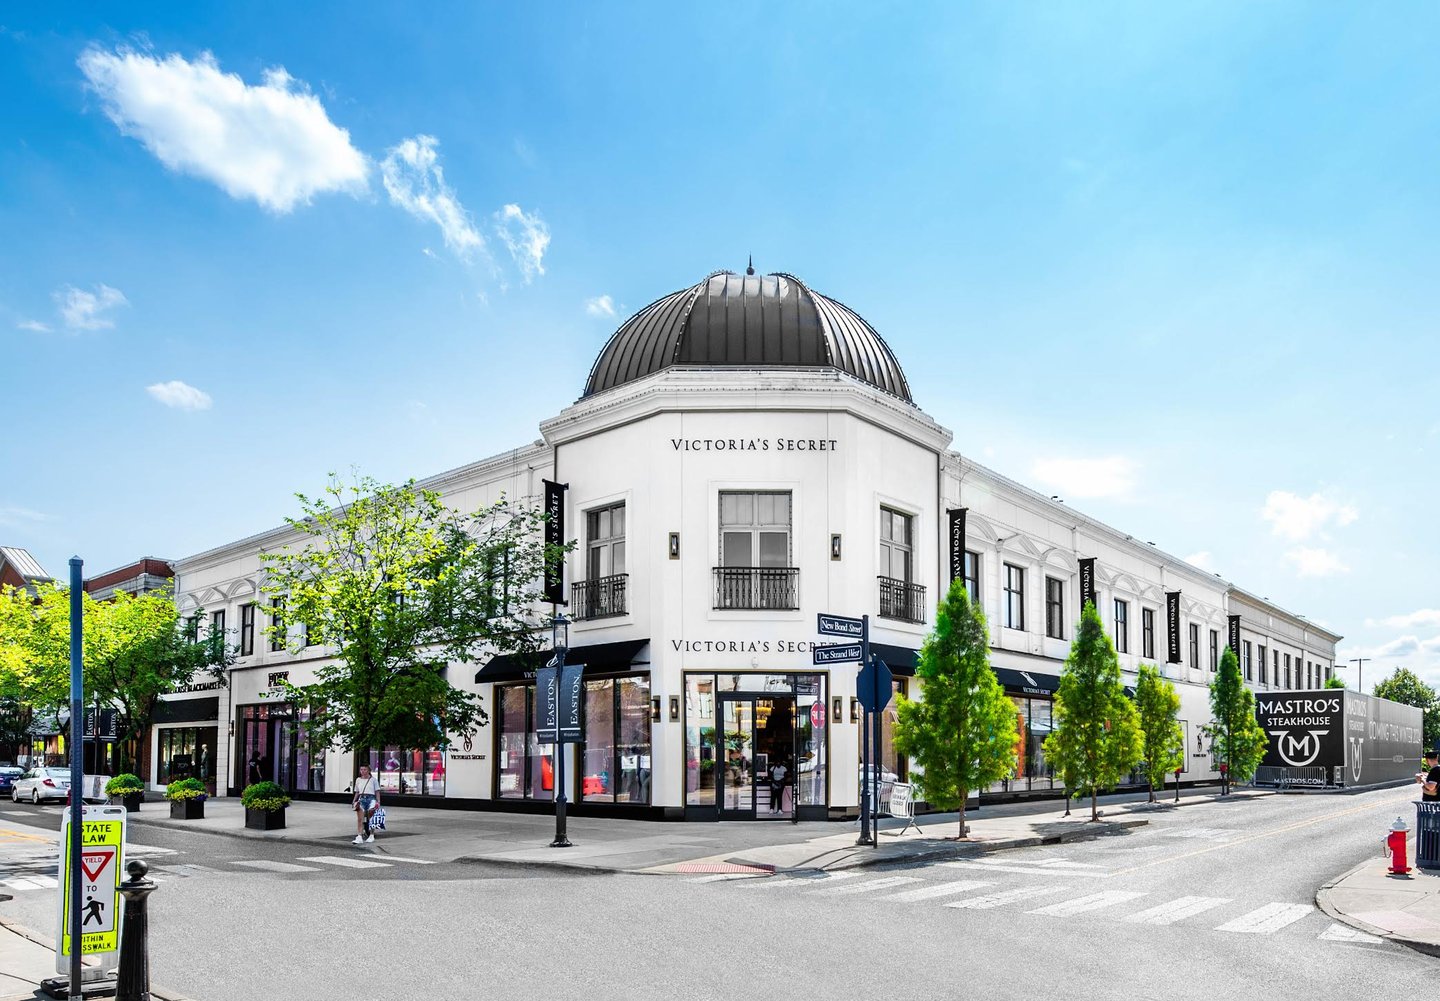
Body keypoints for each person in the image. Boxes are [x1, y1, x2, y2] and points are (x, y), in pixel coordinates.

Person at [352, 764, 381, 844]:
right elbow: (357, 792)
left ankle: (371, 835)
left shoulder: (373, 780)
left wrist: (378, 802)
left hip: (371, 798)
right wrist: (354, 800)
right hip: (361, 799)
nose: (363, 771)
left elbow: (377, 791)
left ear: (368, 770)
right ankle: (359, 836)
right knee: (360, 819)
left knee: (371, 817)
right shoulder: (358, 780)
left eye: (365, 770)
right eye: (361, 770)